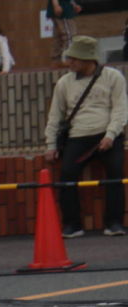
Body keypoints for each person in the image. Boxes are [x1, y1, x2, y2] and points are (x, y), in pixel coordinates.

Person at [45, 36, 127, 238]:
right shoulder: (64, 83)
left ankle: (114, 222)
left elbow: (120, 109)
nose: (69, 62)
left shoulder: (113, 77)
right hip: (77, 136)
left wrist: (110, 134)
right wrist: (50, 144)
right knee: (67, 174)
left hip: (107, 134)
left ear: (89, 59)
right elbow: (55, 115)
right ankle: (72, 224)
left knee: (116, 171)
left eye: (74, 58)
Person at [49, 0, 82, 64]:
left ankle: (56, 59)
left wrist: (73, 5)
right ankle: (70, 58)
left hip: (66, 8)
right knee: (70, 34)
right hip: (63, 12)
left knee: (58, 36)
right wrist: (56, 5)